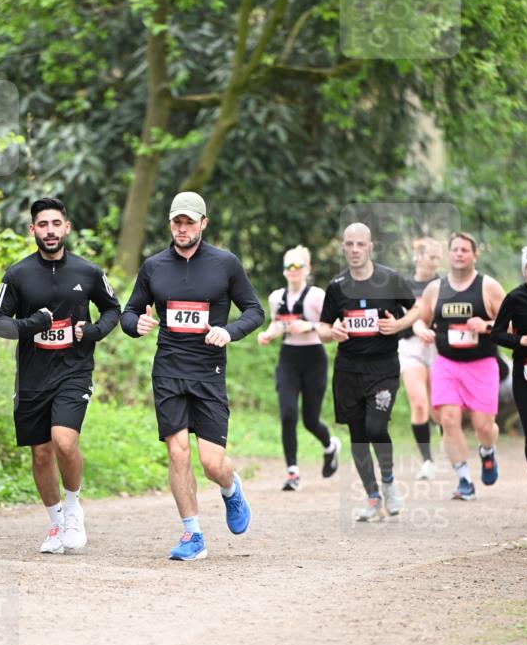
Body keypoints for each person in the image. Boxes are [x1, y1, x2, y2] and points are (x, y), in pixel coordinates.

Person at [120, 191, 264, 561]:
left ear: (203, 223)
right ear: (170, 224)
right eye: (176, 222)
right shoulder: (154, 267)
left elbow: (254, 310)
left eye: (189, 222)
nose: (182, 229)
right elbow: (129, 312)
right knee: (178, 453)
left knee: (213, 463)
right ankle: (192, 534)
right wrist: (136, 323)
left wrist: (230, 331)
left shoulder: (225, 264)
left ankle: (232, 490)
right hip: (168, 369)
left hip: (208, 371)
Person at [0, 198, 120, 554]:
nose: (49, 230)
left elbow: (112, 309)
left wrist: (91, 332)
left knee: (63, 441)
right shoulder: (17, 275)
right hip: (32, 377)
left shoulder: (88, 272)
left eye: (55, 224)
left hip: (73, 370)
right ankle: (56, 524)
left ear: (67, 227)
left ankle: (74, 510)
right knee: (42, 453)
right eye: (42, 224)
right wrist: (34, 324)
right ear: (33, 230)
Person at [316, 223, 420, 522]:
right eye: (349, 244)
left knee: (376, 427)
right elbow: (323, 327)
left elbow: (417, 309)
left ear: (370, 246)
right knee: (358, 435)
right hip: (348, 370)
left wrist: (398, 325)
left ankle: (388, 483)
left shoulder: (390, 279)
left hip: (383, 368)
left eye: (360, 244)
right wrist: (331, 331)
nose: (355, 250)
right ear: (343, 247)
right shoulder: (337, 286)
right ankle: (373, 497)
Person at [417, 232, 506, 501]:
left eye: (465, 250)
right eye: (455, 249)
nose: (459, 254)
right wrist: (422, 330)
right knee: (448, 420)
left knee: (483, 426)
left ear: (474, 255)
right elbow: (420, 319)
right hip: (446, 364)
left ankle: (487, 451)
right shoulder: (435, 289)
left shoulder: (488, 286)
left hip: (482, 364)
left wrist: (488, 325)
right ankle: (464, 479)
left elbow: (512, 324)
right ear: (448, 254)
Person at [257, 245, 340, 490]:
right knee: (288, 414)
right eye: (288, 266)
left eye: (298, 266)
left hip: (314, 358)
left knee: (310, 420)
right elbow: (277, 324)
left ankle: (330, 445)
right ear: (284, 271)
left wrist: (310, 326)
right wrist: (267, 335)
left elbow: (332, 328)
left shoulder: (317, 296)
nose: (293, 271)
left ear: (307, 269)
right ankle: (293, 473)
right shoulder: (276, 297)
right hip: (289, 358)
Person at [491, 246, 527, 504]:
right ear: (525, 273)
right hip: (525, 376)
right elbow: (496, 334)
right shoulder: (515, 298)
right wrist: (521, 340)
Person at [398, 236, 442, 480]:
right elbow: (402, 316)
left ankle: (451, 454)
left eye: (438, 258)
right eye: (431, 257)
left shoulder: (444, 285)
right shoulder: (403, 285)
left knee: (439, 409)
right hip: (410, 346)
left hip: (438, 347)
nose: (435, 262)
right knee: (419, 403)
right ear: (418, 257)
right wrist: (418, 328)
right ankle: (427, 461)